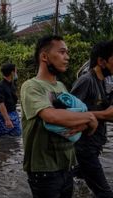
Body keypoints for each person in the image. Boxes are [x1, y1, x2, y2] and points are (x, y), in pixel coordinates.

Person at [20, 35, 98, 198]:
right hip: (43, 170)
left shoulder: (61, 86)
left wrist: (83, 122)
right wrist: (90, 118)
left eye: (67, 52)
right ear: (44, 56)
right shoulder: (31, 86)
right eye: (62, 52)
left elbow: (72, 117)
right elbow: (51, 116)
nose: (67, 57)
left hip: (66, 164)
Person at [71, 41, 113, 197]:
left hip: (96, 145)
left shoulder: (105, 83)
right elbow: (68, 113)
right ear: (102, 61)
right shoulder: (86, 81)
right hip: (84, 148)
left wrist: (93, 115)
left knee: (76, 177)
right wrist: (101, 115)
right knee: (105, 193)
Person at [0, 64, 21, 137]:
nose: (16, 73)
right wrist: (7, 119)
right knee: (4, 138)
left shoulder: (11, 84)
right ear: (12, 73)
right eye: (15, 71)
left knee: (16, 136)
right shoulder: (0, 87)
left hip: (13, 113)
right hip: (4, 115)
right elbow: (0, 104)